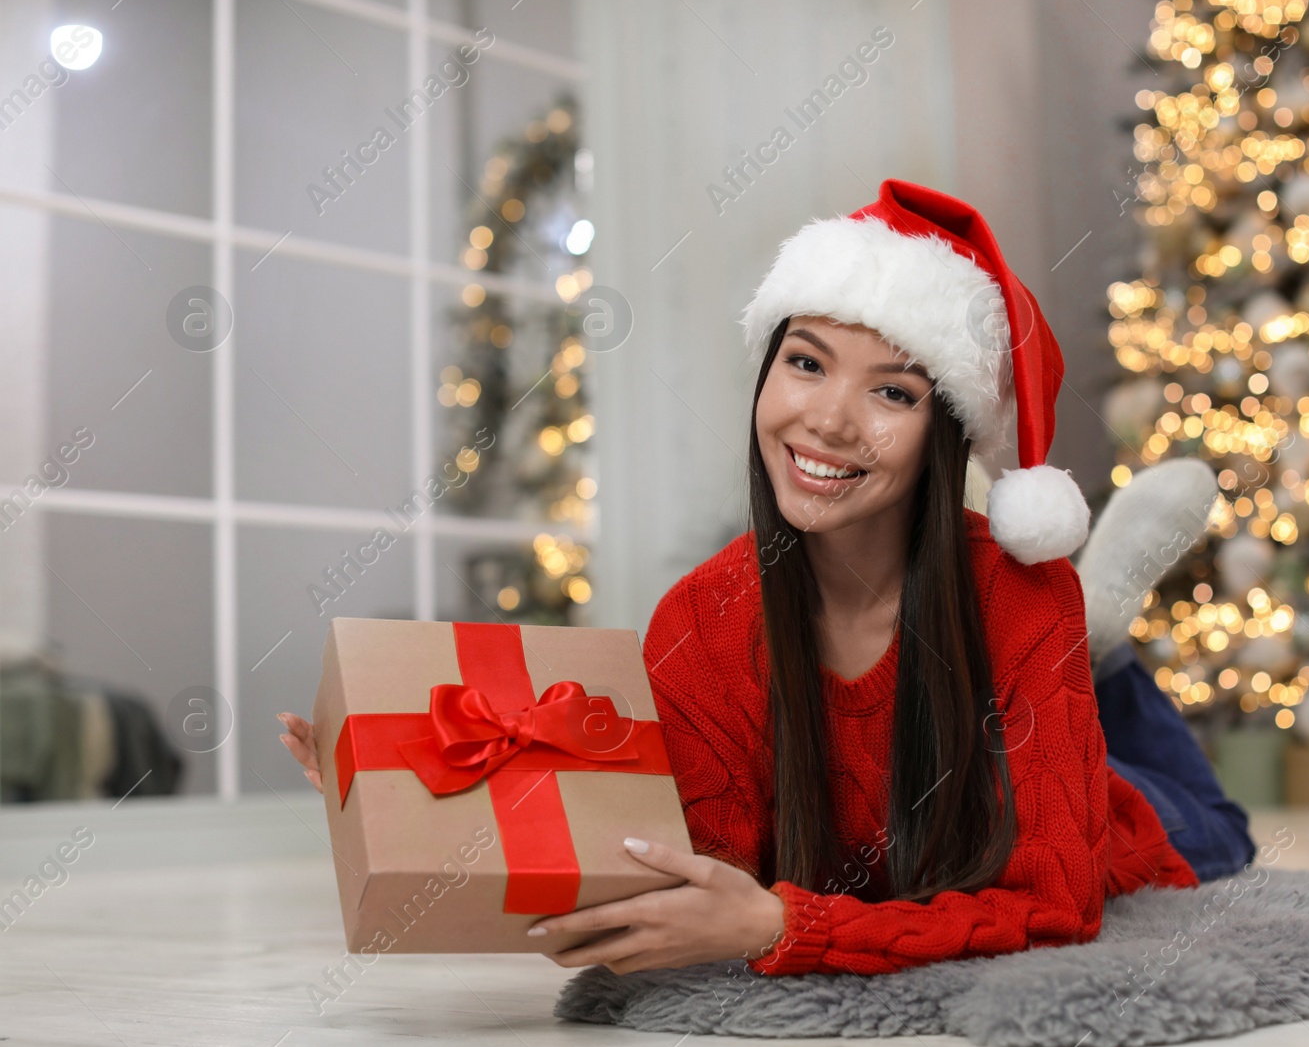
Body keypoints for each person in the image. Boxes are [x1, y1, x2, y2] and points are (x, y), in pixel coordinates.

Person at [280, 178, 1254, 979]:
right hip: (975, 714)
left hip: (1110, 806)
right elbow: (688, 866)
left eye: (890, 391)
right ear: (765, 371)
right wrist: (416, 795)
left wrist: (783, 928)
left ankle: (1103, 647)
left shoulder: (1016, 596)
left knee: (1215, 830)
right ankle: (1097, 652)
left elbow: (1052, 905)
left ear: (945, 435)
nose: (828, 421)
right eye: (805, 362)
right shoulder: (702, 618)